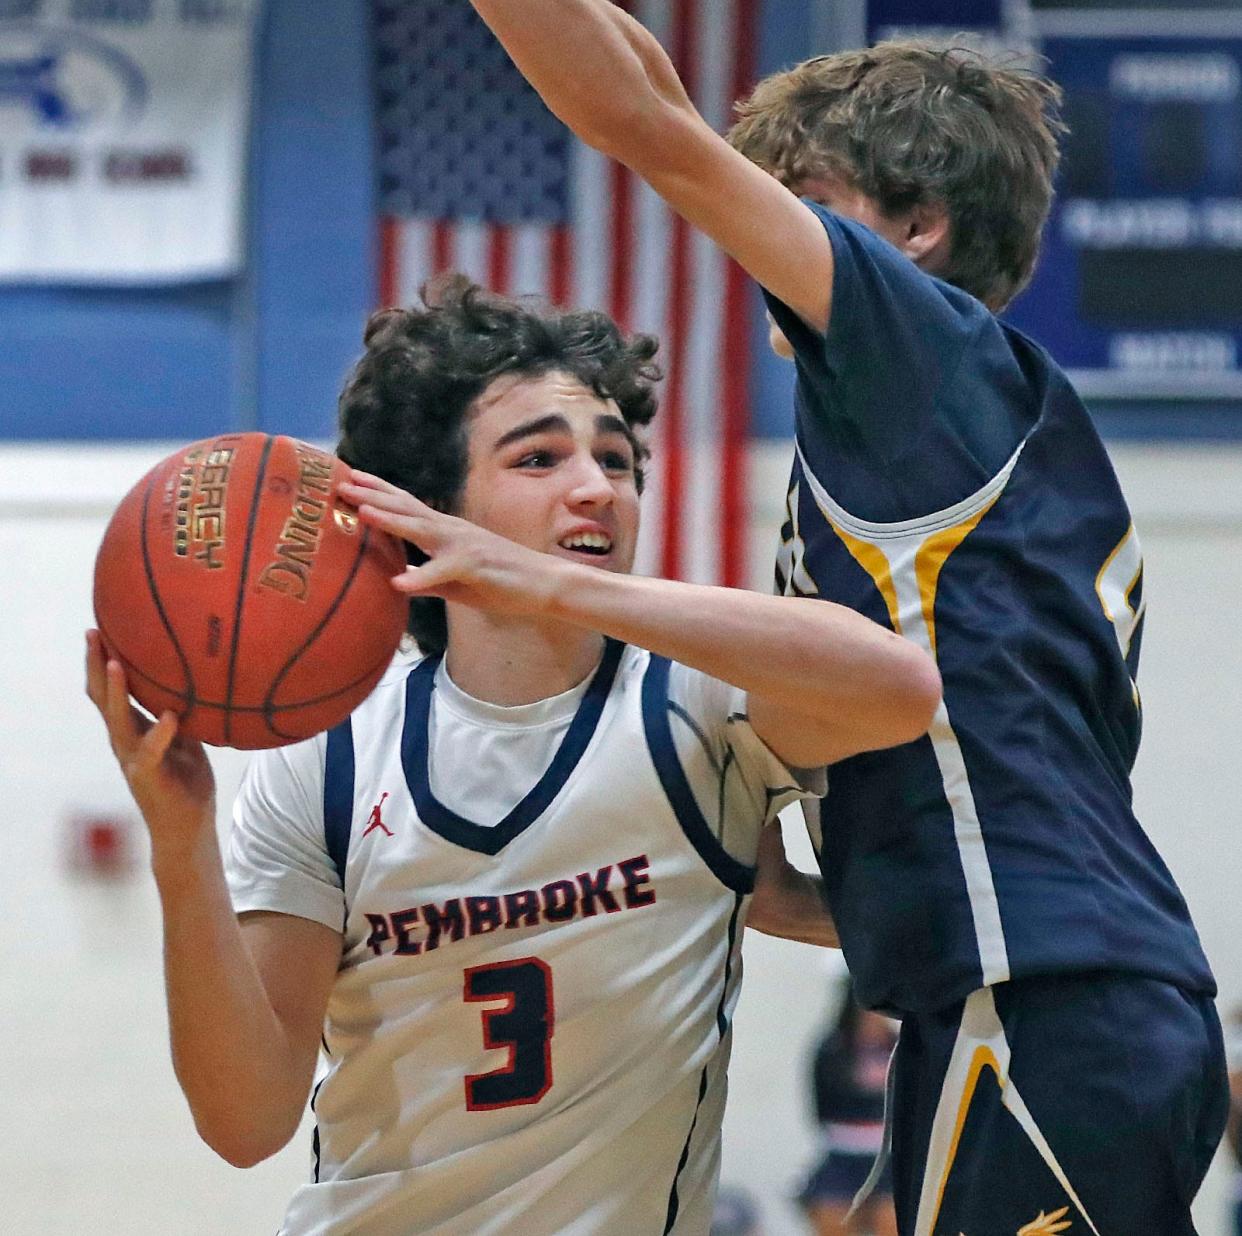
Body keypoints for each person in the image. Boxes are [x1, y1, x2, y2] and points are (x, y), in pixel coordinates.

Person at [463, 6, 1230, 1232]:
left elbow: (644, 125)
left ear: (915, 230)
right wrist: (816, 900)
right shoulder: (952, 425)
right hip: (1031, 1002)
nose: (757, 237)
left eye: (803, 204)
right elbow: (1000, 805)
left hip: (1044, 1012)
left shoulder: (920, 356)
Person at [85, 278, 940, 1236]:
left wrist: (555, 587)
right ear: (431, 507)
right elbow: (245, 1122)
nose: (596, 486)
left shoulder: (696, 701)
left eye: (617, 461)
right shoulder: (330, 756)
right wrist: (179, 843)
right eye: (538, 458)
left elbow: (897, 686)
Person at [796, 980, 897, 1236]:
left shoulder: (898, 1048)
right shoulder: (832, 1049)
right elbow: (820, 1106)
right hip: (842, 1154)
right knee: (831, 1218)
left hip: (888, 1155)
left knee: (893, 1220)